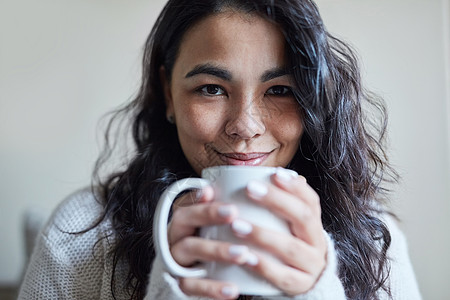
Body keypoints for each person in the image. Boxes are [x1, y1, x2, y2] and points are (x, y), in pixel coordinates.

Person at [18, 0, 422, 299]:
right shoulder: (81, 234)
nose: (245, 125)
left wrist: (318, 290)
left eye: (280, 90)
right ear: (169, 94)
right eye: (211, 89)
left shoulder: (372, 236)